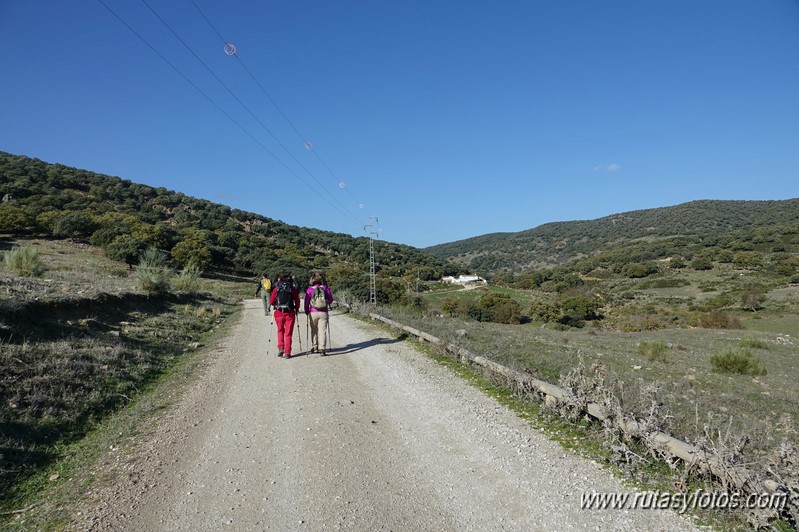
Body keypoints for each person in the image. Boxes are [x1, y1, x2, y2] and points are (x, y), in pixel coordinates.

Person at [269, 274, 300, 358]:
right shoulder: (292, 288)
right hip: (290, 313)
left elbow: (271, 301)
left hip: (279, 313)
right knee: (288, 333)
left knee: (280, 330)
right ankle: (287, 352)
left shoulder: (277, 288)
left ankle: (281, 348)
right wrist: (296, 308)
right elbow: (297, 300)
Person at [304, 272, 334, 355]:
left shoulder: (310, 289)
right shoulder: (325, 288)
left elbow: (306, 302)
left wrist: (307, 311)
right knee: (322, 330)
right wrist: (326, 302)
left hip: (313, 312)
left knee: (314, 330)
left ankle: (315, 347)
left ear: (312, 280)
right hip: (323, 312)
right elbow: (331, 299)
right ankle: (322, 349)